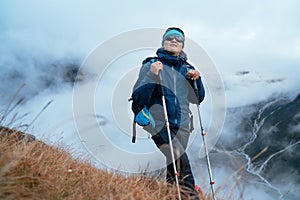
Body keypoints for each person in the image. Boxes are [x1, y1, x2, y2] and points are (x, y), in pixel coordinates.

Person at [131, 27, 205, 198]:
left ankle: (170, 195)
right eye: (170, 38)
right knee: (180, 159)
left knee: (174, 165)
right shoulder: (151, 65)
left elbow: (197, 99)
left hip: (183, 126)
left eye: (178, 40)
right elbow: (138, 99)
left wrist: (197, 80)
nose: (174, 41)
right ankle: (191, 196)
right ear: (163, 42)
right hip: (159, 125)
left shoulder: (188, 68)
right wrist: (151, 75)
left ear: (182, 46)